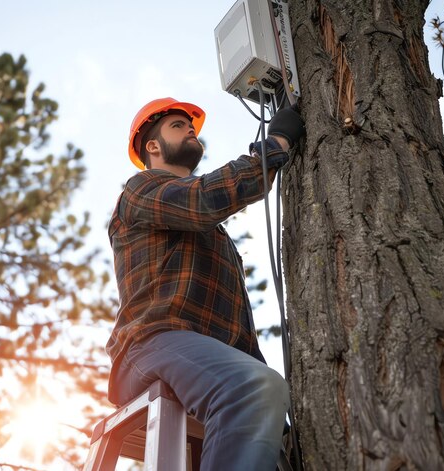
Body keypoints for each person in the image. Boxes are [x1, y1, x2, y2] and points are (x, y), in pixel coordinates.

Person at [106, 97, 305, 470]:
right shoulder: (140, 191)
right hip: (152, 343)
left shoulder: (213, 235)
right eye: (178, 126)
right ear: (153, 146)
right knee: (253, 388)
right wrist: (275, 145)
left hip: (199, 354)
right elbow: (203, 200)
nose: (191, 130)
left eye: (191, 125)